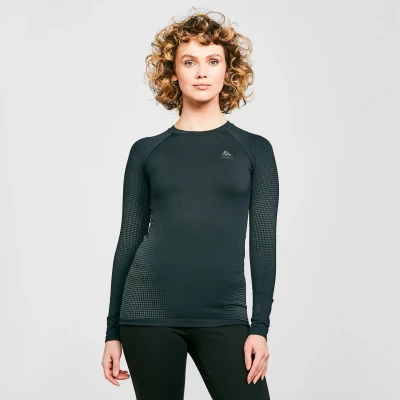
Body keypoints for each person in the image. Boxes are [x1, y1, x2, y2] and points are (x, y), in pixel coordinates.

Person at [101, 10, 279, 400]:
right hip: (147, 312)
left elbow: (263, 243)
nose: (201, 72)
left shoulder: (255, 150)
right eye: (189, 62)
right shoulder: (146, 151)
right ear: (173, 72)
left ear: (227, 71)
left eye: (213, 61)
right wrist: (112, 331)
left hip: (224, 313)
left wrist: (259, 328)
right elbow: (129, 240)